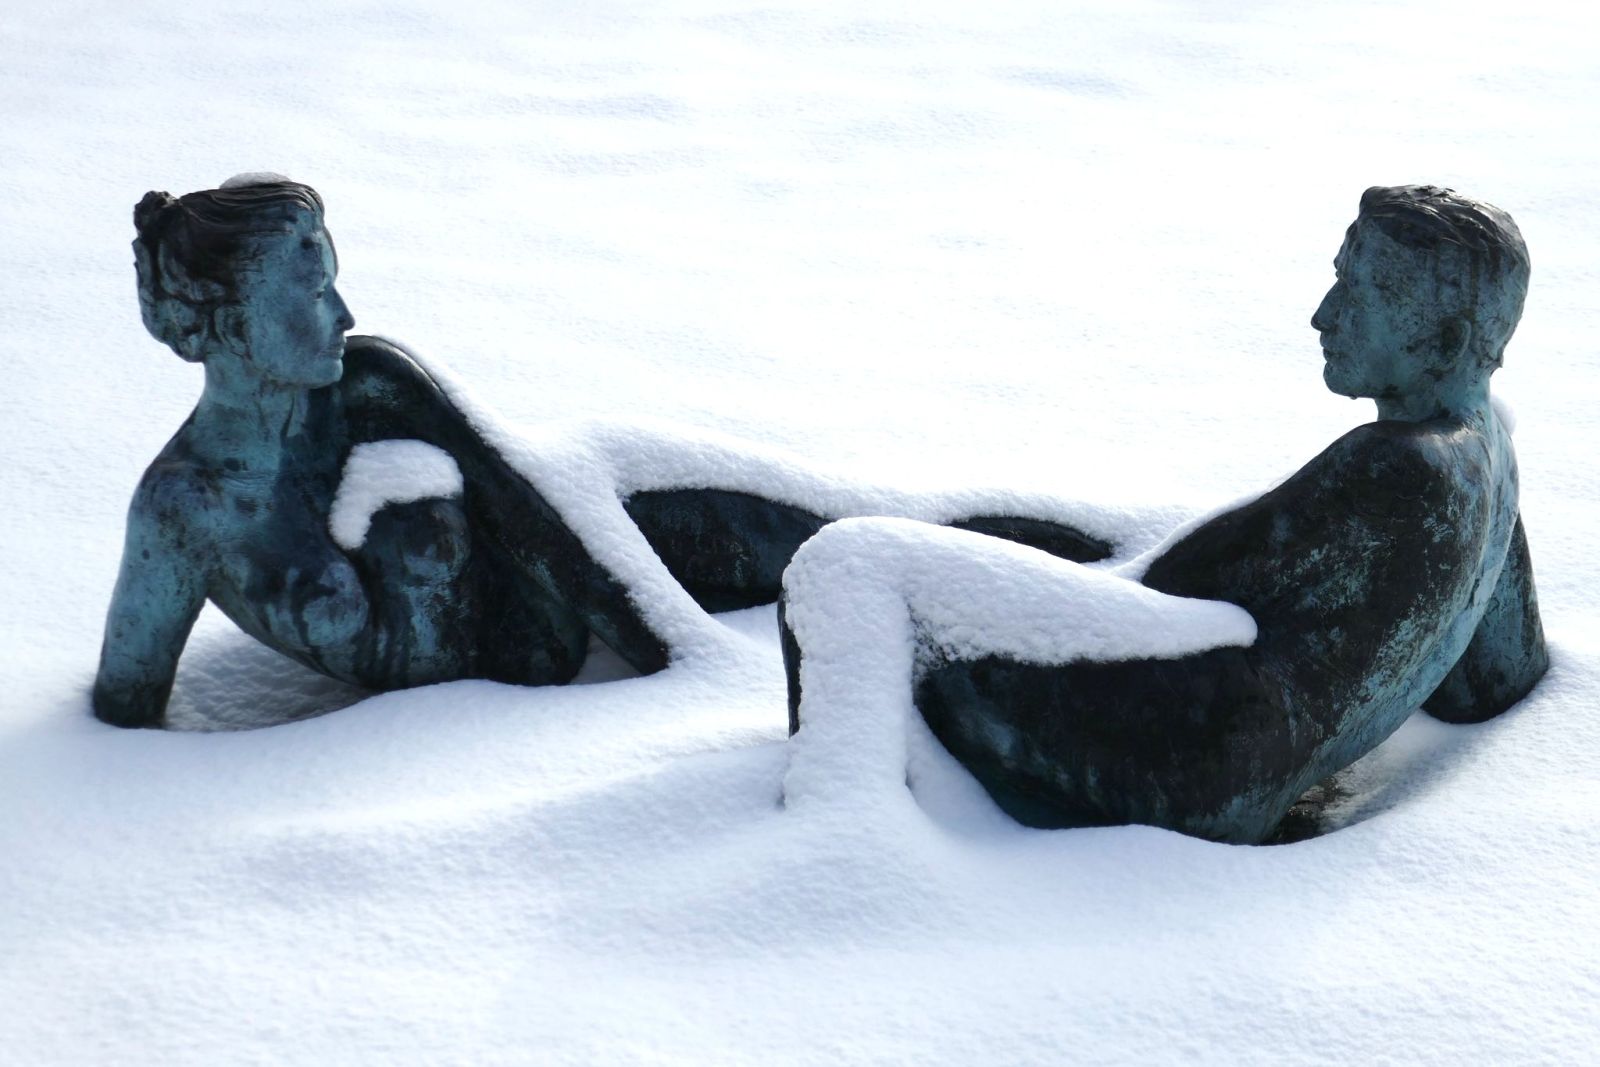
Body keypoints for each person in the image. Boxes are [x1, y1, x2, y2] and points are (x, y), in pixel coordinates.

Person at [96, 175, 1110, 728]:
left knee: (876, 526)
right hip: (553, 630)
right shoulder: (184, 511)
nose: (343, 310)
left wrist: (684, 658)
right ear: (221, 319)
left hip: (597, 514)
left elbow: (528, 510)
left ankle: (1116, 548)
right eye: (309, 289)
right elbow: (123, 718)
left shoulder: (369, 380)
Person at [780, 185, 1549, 844]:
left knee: (847, 565)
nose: (1324, 315)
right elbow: (1493, 679)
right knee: (1012, 555)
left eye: (1361, 294)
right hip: (1237, 746)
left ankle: (842, 843)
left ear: (1444, 339)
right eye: (1337, 280)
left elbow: (1170, 592)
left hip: (1198, 769)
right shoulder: (1490, 457)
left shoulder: (1396, 466)